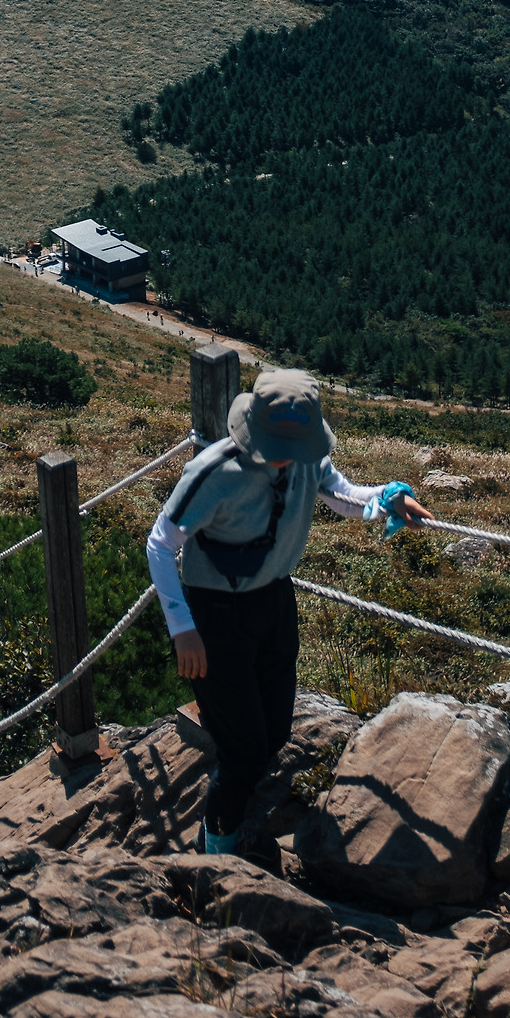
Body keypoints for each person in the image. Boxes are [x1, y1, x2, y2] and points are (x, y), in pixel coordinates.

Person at [146, 365, 433, 858]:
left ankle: (222, 825)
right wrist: (183, 628)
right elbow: (160, 542)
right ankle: (216, 857)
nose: (288, 457)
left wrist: (389, 498)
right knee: (244, 752)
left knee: (275, 729)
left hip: (274, 602)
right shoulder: (214, 471)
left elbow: (342, 495)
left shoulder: (306, 456)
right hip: (216, 616)